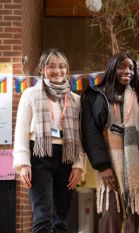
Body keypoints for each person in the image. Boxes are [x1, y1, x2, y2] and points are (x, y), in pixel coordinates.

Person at [13, 48, 86, 232]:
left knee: (61, 219)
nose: (57, 71)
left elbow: (81, 136)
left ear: (67, 70)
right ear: (42, 70)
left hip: (66, 157)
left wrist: (79, 165)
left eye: (62, 66)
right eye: (51, 66)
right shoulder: (30, 94)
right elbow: (21, 131)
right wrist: (23, 164)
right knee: (42, 215)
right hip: (39, 155)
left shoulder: (76, 100)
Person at [80, 52, 139, 233]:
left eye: (131, 68)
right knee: (110, 214)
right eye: (121, 67)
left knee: (134, 215)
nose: (127, 71)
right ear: (112, 69)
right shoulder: (95, 96)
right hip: (108, 164)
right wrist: (103, 166)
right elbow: (90, 133)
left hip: (136, 165)